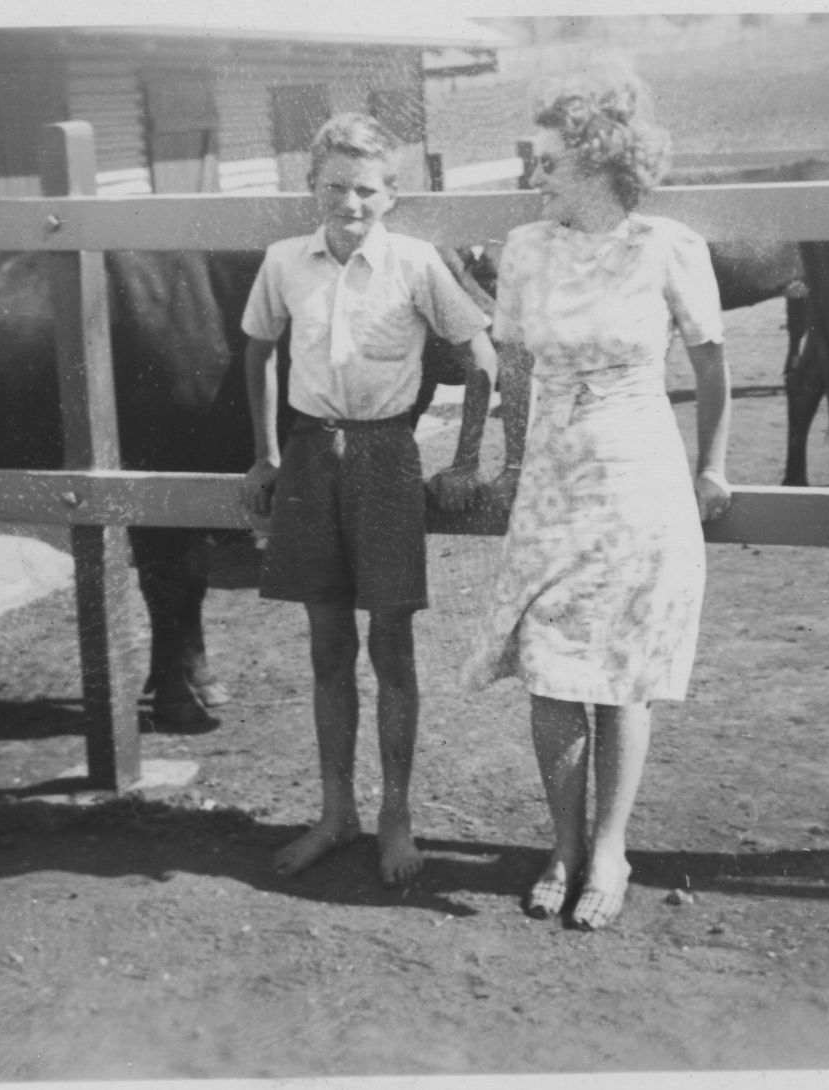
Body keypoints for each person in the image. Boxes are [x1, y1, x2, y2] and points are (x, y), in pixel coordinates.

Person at [461, 71, 733, 930]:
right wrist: (509, 468)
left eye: (548, 161)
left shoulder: (667, 246)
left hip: (638, 471)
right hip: (551, 477)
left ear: (599, 157)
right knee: (547, 666)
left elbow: (711, 362)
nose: (535, 176)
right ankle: (563, 844)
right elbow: (514, 369)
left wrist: (713, 465)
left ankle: (609, 848)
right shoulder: (526, 248)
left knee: (622, 672)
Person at [239, 113, 496, 887]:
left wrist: (465, 461)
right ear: (312, 188)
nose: (349, 203)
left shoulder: (416, 263)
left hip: (387, 458)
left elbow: (481, 359)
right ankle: (334, 811)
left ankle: (395, 818)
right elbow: (257, 349)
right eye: (334, 187)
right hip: (311, 457)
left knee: (391, 650)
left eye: (365, 189)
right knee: (326, 649)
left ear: (391, 194)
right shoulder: (286, 260)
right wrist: (266, 452)